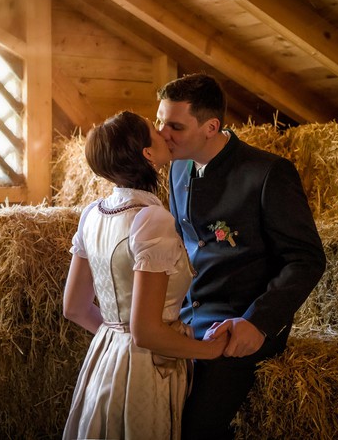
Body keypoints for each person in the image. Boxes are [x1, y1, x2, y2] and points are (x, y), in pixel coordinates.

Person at [155, 73, 326, 440]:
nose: (161, 133)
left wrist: (258, 323)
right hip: (187, 315)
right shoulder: (178, 166)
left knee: (194, 428)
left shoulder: (268, 173)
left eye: (174, 125)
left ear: (210, 126)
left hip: (241, 322)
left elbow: (307, 259)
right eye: (159, 121)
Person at [62, 110, 230, 440]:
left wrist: (118, 337)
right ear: (148, 154)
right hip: (147, 370)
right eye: (155, 131)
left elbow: (75, 308)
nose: (164, 133)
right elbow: (146, 332)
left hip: (105, 356)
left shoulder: (91, 215)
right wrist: (209, 350)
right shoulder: (152, 220)